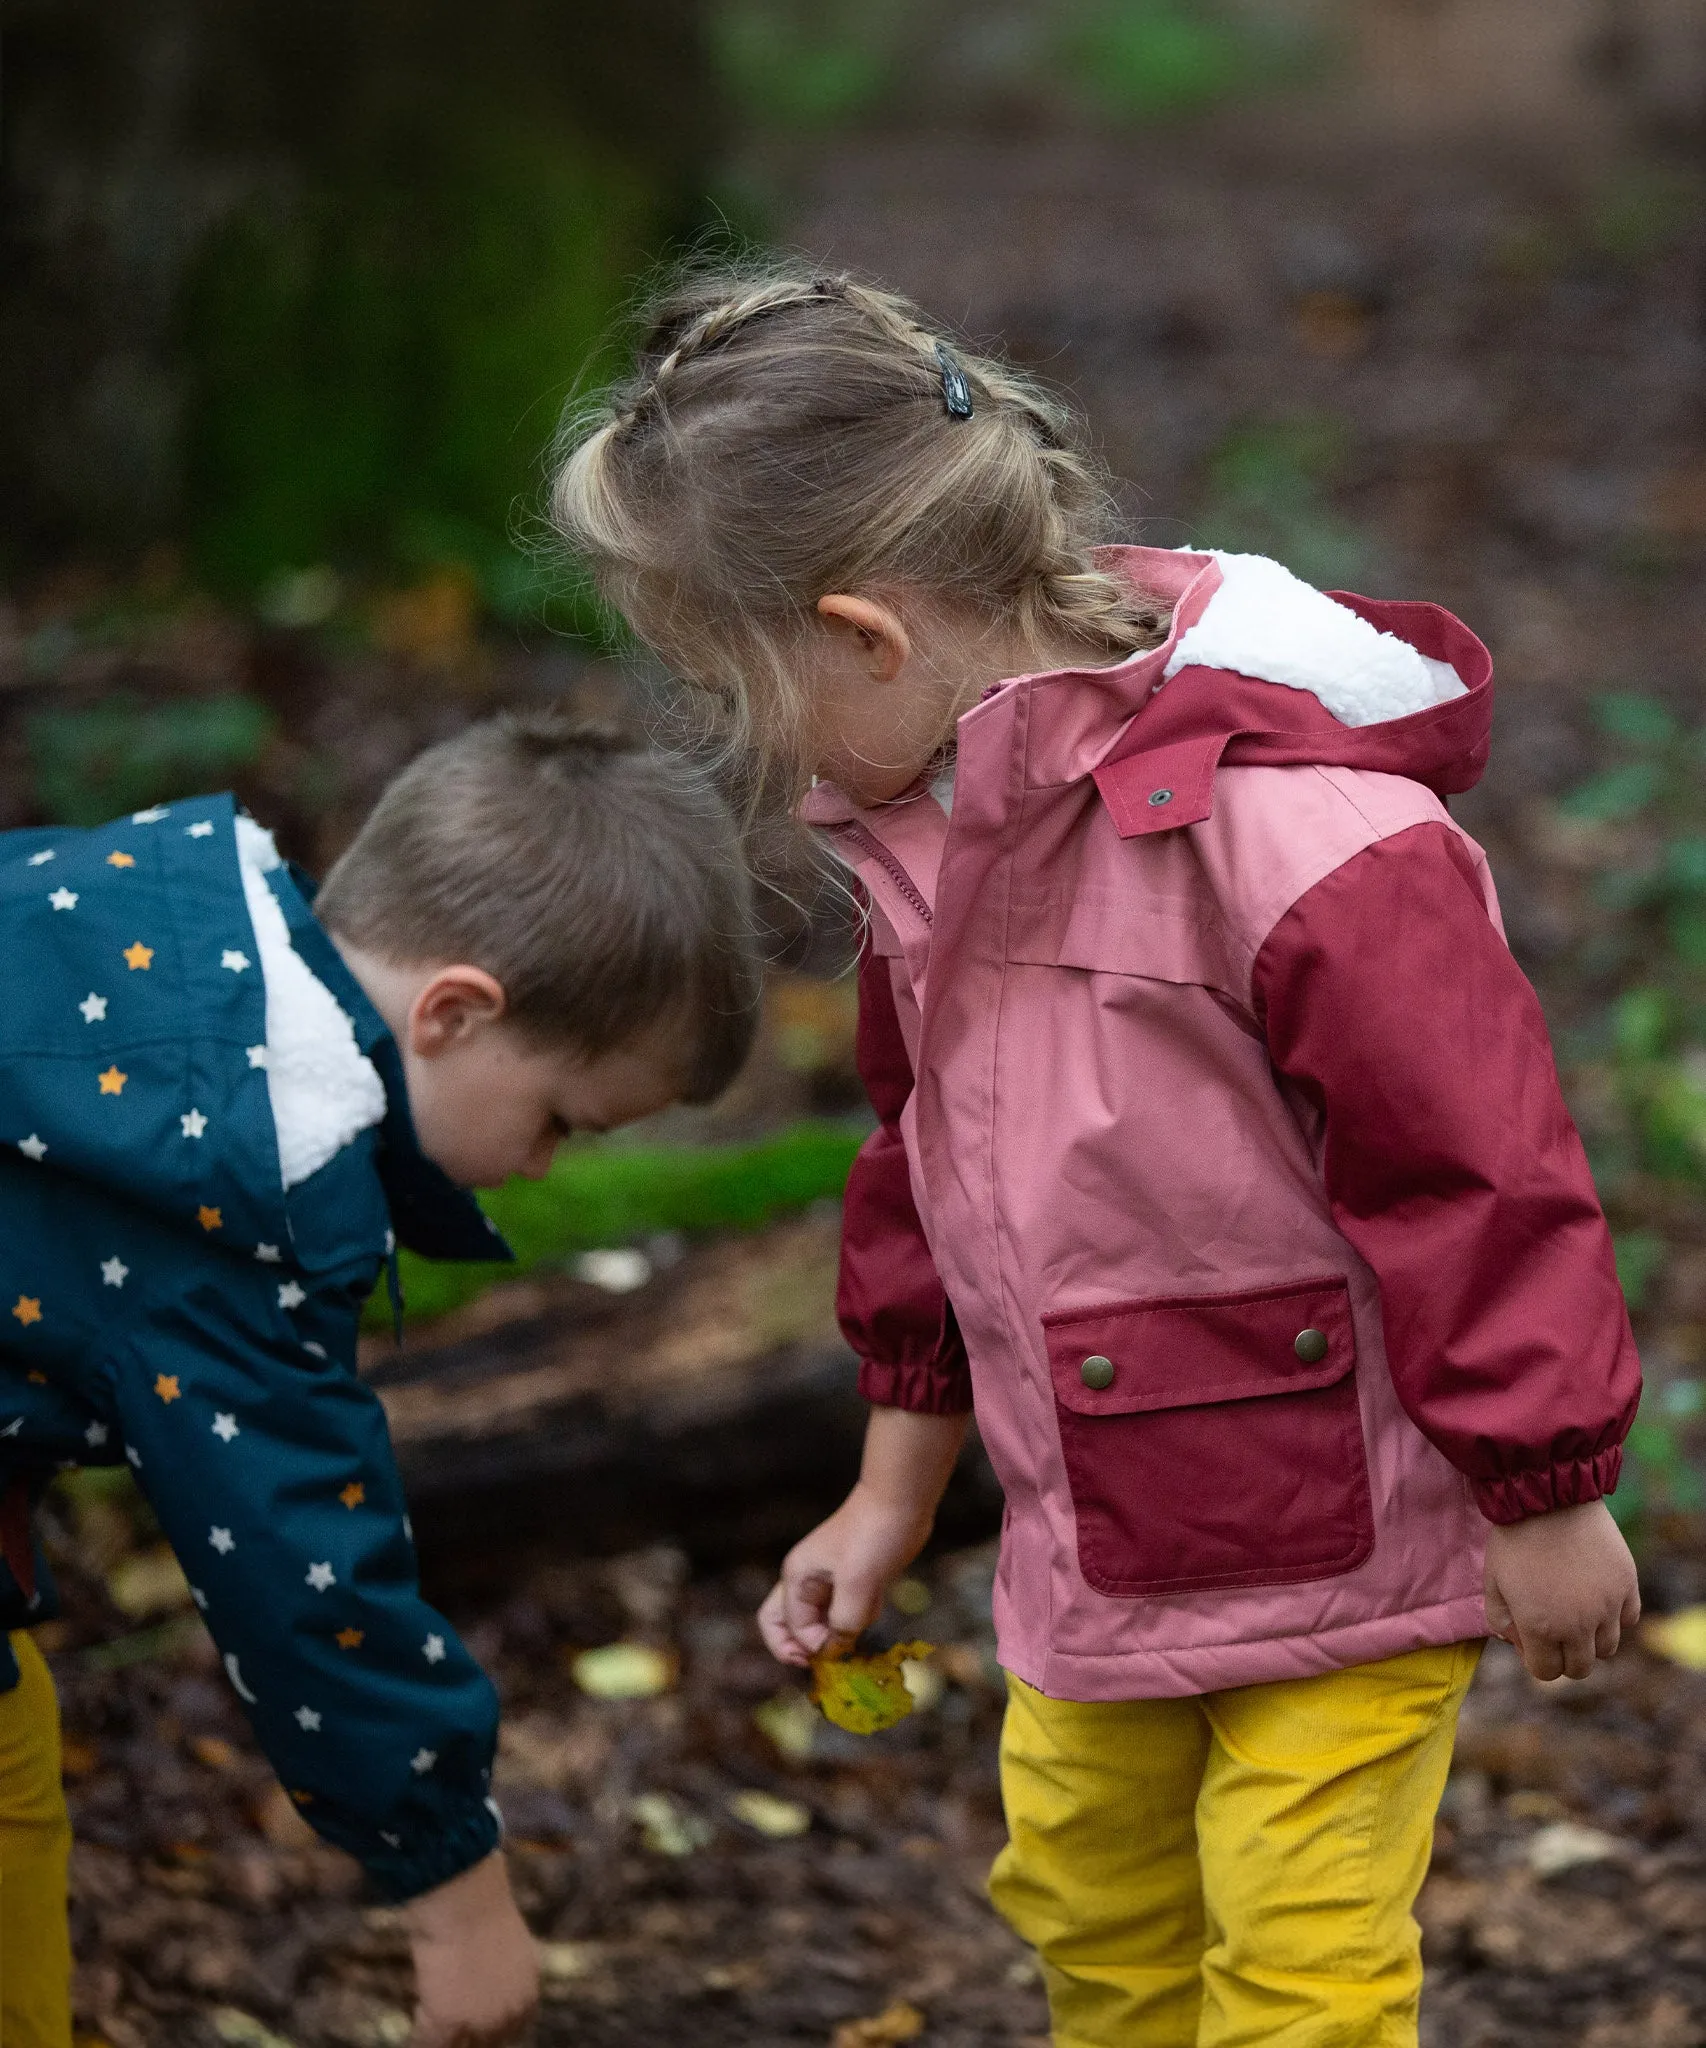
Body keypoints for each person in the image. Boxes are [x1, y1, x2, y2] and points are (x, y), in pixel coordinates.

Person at [551, 264, 1644, 2048]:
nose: (746, 750)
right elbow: (919, 1167)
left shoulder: (1307, 839)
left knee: (1297, 1980)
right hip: (1089, 1554)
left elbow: (1476, 1168)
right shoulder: (929, 838)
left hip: (1342, 1549)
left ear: (865, 638)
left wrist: (1546, 1487)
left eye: (730, 692)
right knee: (1090, 1917)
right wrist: (891, 1495)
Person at [0, 712, 760, 2047]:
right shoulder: (231, 1182)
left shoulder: (116, 928)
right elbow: (302, 1567)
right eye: (558, 1125)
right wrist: (453, 1890)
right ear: (456, 1012)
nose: (537, 1173)